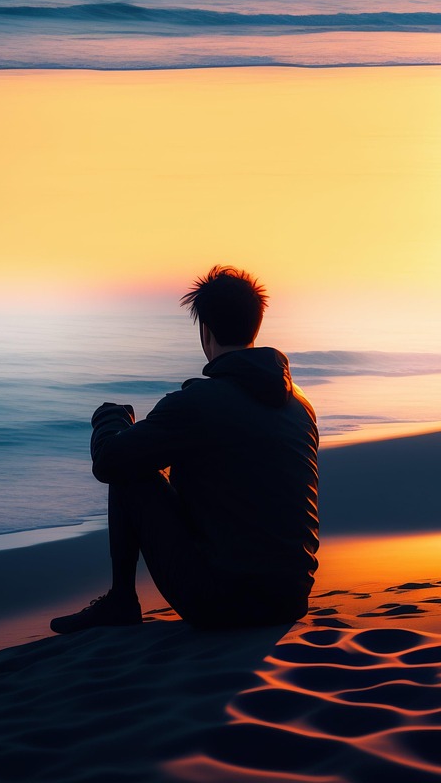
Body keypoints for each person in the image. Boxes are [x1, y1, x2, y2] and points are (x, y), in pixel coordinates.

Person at [51, 265, 319, 632]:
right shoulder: (300, 404)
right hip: (290, 599)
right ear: (255, 326)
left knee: (130, 465)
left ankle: (121, 601)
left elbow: (108, 464)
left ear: (204, 330)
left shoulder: (197, 403)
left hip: (225, 604)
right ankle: (121, 602)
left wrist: (110, 420)